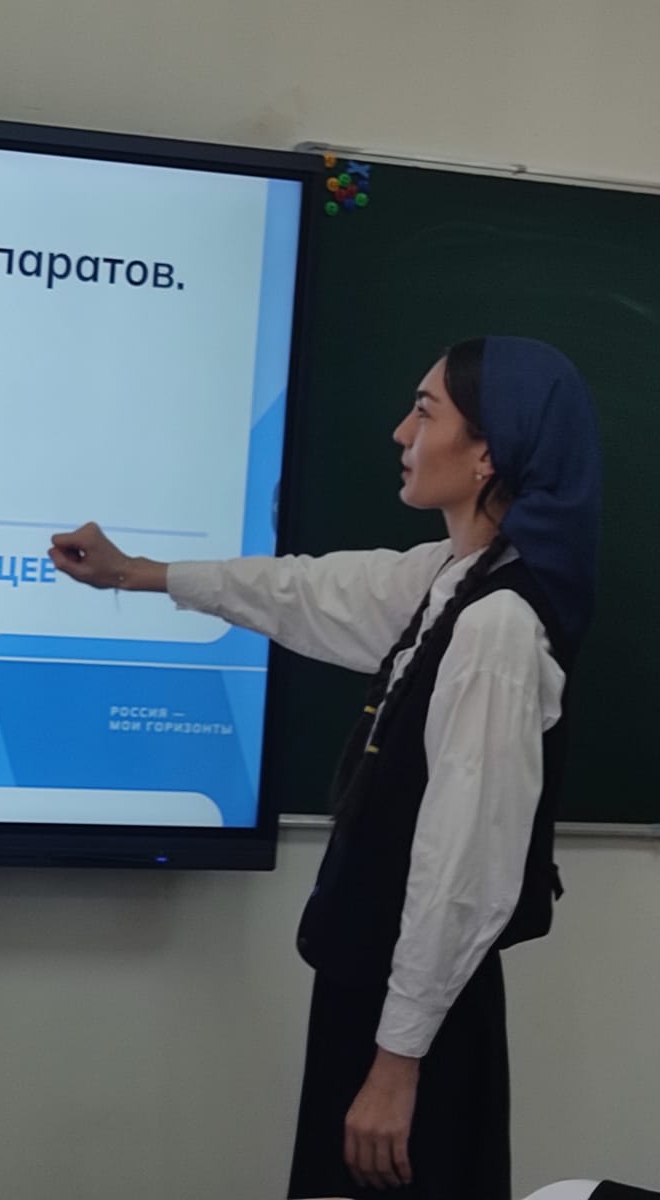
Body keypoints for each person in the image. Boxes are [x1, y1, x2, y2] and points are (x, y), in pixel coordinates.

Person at [49, 336, 602, 1199]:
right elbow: (307, 592)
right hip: (382, 1005)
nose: (401, 433)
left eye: (425, 413)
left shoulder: (497, 627)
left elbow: (464, 870)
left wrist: (396, 1065)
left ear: (487, 453)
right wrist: (136, 574)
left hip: (416, 1030)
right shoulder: (451, 578)